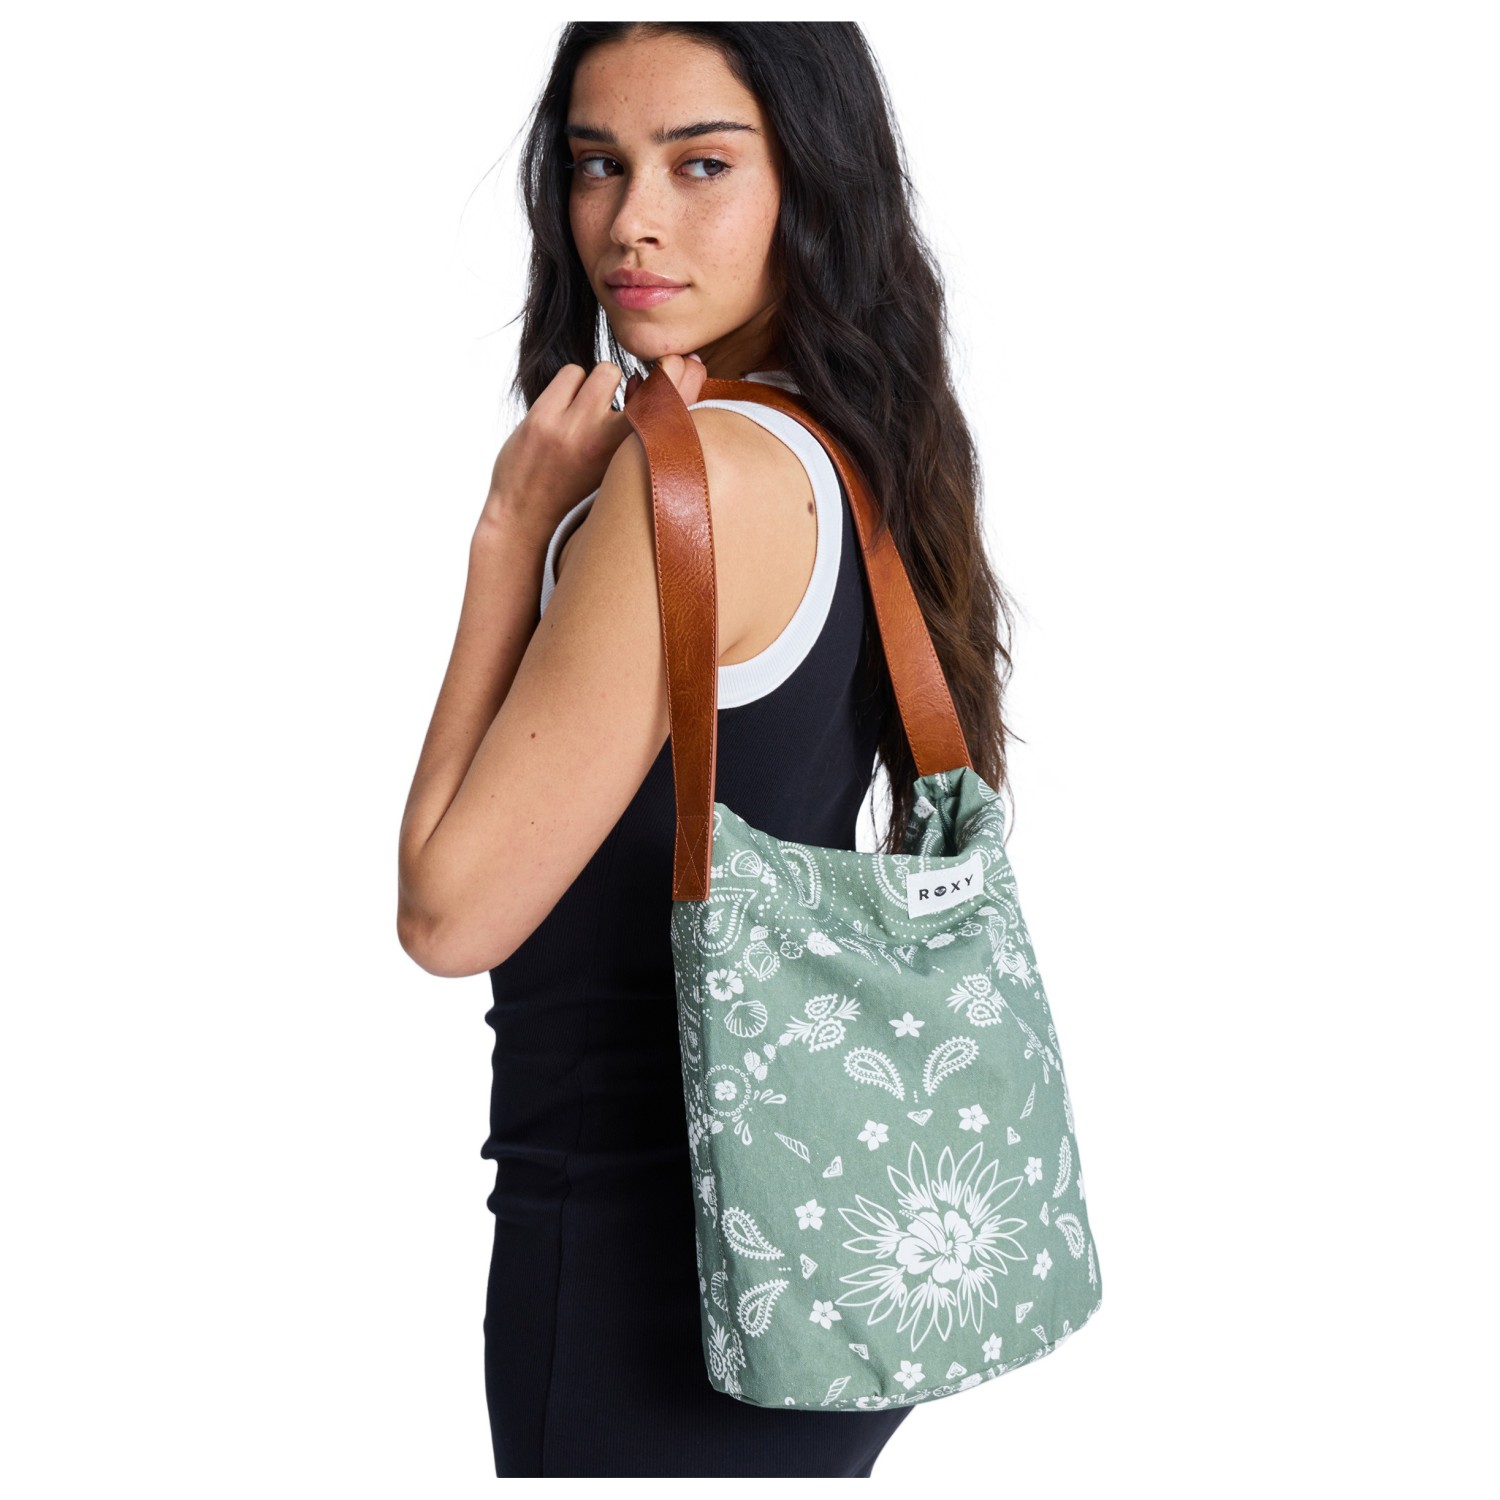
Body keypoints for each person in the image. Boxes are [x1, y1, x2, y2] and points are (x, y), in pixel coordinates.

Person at [397, 21, 1018, 1478]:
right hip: (807, 1255)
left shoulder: (701, 478)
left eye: (702, 164)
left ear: (816, 180)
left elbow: (447, 912)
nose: (631, 221)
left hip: (648, 1276)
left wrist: (509, 535)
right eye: (597, 165)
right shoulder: (843, 448)